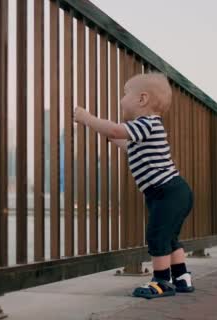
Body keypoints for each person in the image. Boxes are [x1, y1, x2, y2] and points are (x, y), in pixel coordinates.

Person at [73, 72, 194, 299]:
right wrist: (111, 137)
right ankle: (181, 278)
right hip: (171, 191)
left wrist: (86, 118)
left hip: (167, 191)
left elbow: (116, 130)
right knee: (169, 238)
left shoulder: (146, 123)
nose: (121, 99)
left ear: (142, 99)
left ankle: (161, 282)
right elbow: (127, 145)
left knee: (157, 237)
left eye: (125, 94)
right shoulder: (146, 129)